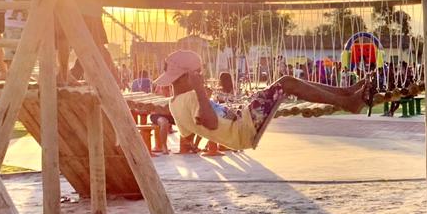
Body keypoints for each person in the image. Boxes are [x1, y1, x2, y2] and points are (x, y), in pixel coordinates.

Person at [157, 49, 373, 152]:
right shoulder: (194, 95)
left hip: (241, 123)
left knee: (285, 85)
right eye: (199, 73)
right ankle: (348, 101)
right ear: (189, 76)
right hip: (243, 128)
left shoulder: (173, 104)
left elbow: (189, 132)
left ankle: (345, 93)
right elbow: (211, 123)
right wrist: (200, 91)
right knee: (286, 82)